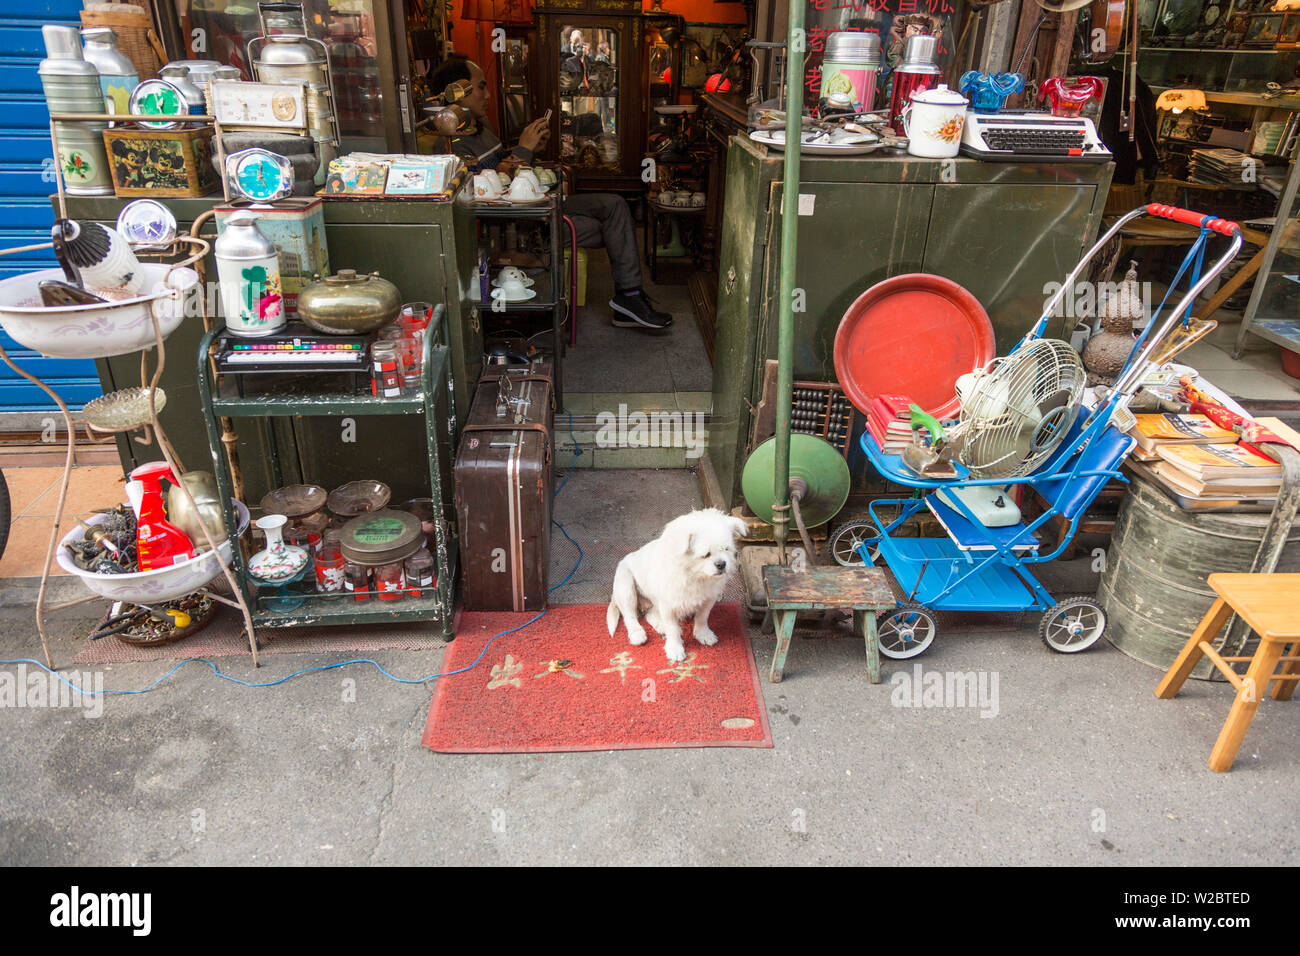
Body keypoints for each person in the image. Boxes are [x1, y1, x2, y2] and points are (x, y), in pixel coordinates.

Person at [428, 55, 672, 332]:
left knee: (615, 205)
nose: (487, 94)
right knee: (606, 228)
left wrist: (531, 150)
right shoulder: (450, 144)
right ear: (456, 92)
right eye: (481, 87)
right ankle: (629, 298)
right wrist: (523, 150)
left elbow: (502, 168)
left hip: (535, 207)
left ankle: (629, 299)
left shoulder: (481, 129)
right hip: (518, 229)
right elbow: (483, 194)